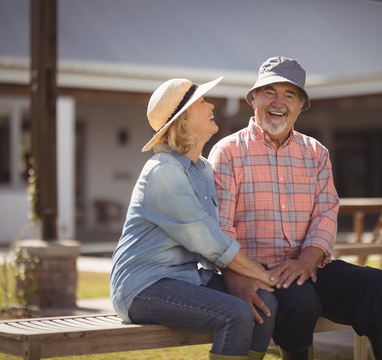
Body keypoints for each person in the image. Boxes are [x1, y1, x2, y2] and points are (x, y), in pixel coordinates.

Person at [209, 57, 382, 360]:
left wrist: (307, 260)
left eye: (289, 95)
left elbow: (326, 213)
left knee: (376, 284)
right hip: (256, 272)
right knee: (300, 301)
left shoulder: (316, 153)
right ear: (253, 99)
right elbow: (219, 228)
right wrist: (235, 275)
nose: (278, 102)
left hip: (308, 267)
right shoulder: (227, 152)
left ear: (301, 105)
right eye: (269, 92)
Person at [110, 76, 278, 360]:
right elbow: (211, 242)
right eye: (202, 101)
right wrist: (265, 275)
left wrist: (259, 280)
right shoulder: (162, 172)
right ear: (184, 119)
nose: (211, 104)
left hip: (187, 277)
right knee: (236, 314)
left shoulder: (203, 170)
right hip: (143, 285)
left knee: (264, 302)